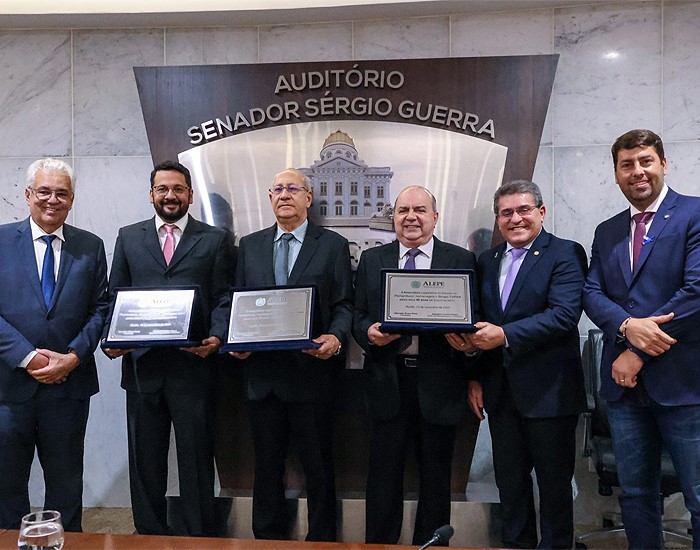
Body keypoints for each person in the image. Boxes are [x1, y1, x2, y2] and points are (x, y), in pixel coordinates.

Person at [104, 160, 234, 536]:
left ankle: (199, 539)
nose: (170, 196)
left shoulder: (213, 239)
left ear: (189, 195)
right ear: (151, 195)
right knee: (146, 466)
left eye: (178, 189)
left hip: (194, 368)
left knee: (196, 463)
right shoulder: (129, 237)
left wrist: (218, 336)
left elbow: (224, 296)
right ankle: (148, 537)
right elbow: (115, 296)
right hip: (143, 370)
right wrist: (112, 340)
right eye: (162, 189)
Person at [583, 129, 700, 549]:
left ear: (664, 164)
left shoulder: (694, 214)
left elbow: (696, 292)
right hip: (624, 392)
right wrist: (625, 327)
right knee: (635, 495)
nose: (638, 172)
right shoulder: (607, 230)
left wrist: (635, 351)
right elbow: (591, 292)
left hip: (684, 385)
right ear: (616, 174)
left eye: (646, 161)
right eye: (627, 164)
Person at [455, 180, 587, 548]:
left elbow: (563, 315)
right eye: (506, 212)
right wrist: (473, 374)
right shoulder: (487, 260)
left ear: (541, 213)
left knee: (554, 487)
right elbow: (479, 319)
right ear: (498, 220)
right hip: (500, 392)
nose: (516, 218)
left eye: (523, 210)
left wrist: (505, 335)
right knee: (510, 486)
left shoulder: (564, 253)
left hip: (550, 394)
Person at [230, 168, 352, 542]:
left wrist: (335, 336)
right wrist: (234, 339)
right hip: (262, 378)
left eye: (293, 188)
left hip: (311, 376)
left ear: (308, 198)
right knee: (266, 467)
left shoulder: (332, 245)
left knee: (318, 467)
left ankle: (322, 540)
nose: (285, 194)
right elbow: (237, 301)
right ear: (270, 198)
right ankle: (266, 539)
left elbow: (344, 304)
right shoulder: (249, 246)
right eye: (278, 188)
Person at [352, 185, 477, 545]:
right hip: (387, 382)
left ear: (435, 217)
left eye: (420, 210)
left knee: (437, 479)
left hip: (440, 383)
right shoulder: (374, 260)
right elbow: (360, 315)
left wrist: (468, 346)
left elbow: (474, 316)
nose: (411, 217)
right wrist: (368, 333)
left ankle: (432, 544)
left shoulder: (459, 260)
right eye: (403, 210)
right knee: (382, 478)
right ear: (392, 218)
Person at [0, 158, 109, 531]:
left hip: (69, 389)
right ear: (28, 195)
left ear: (72, 199)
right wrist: (27, 357)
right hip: (8, 389)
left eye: (61, 193)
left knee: (65, 487)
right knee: (6, 486)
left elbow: (100, 309)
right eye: (44, 191)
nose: (52, 200)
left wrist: (74, 356)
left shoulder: (91, 247)